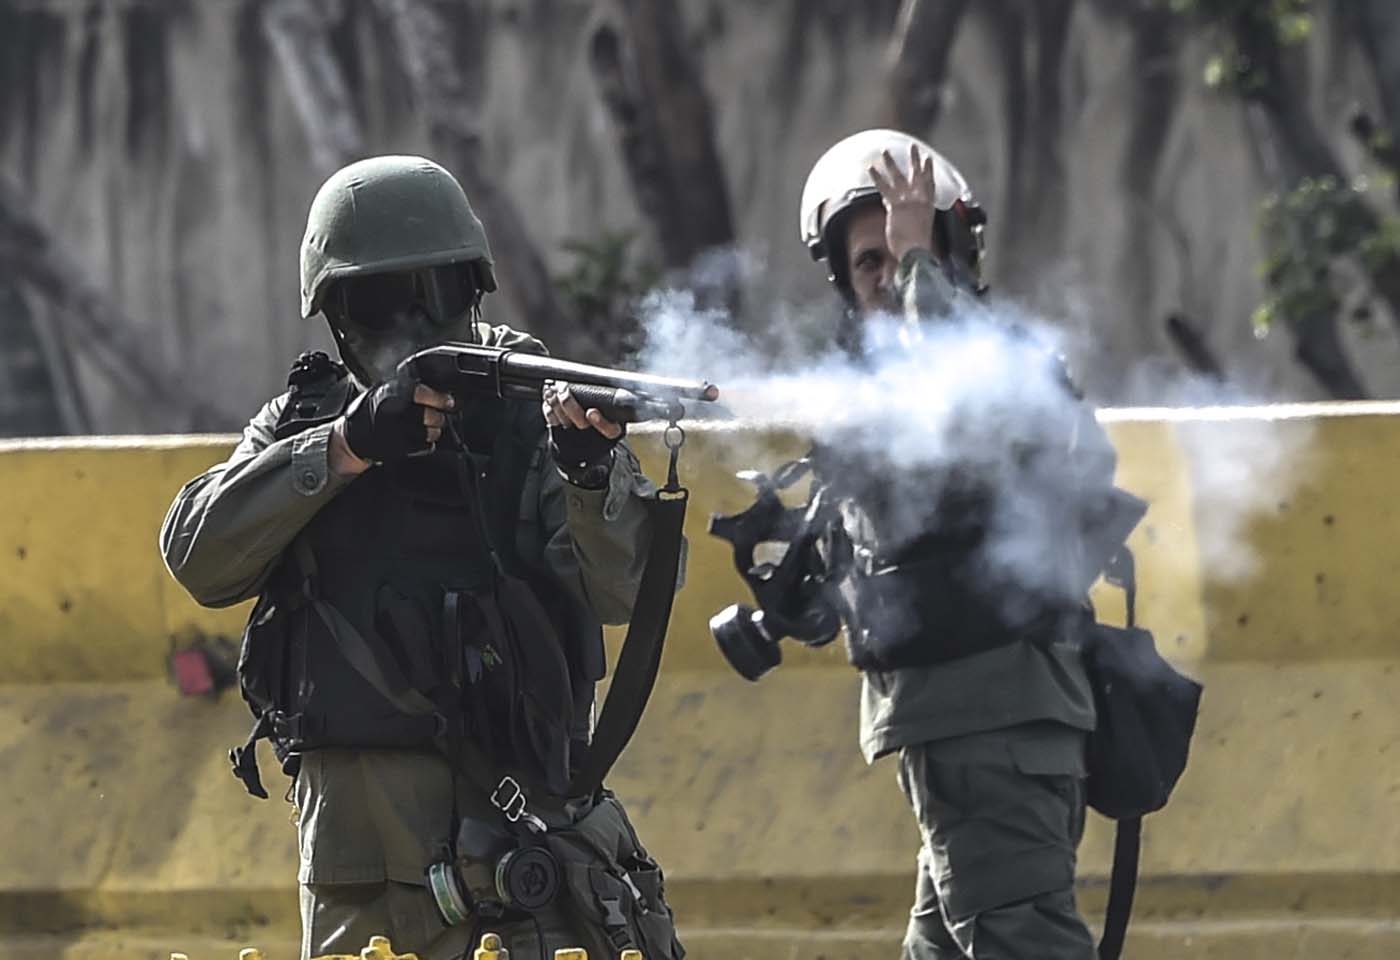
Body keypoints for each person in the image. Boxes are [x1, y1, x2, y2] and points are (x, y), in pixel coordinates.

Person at [160, 155, 683, 960]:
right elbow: (198, 554)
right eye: (381, 301)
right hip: (357, 895)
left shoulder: (525, 416)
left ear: (472, 290)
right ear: (337, 316)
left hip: (513, 865)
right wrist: (346, 448)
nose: (416, 322)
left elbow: (633, 591)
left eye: (437, 293)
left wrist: (588, 470)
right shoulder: (310, 419)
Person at [797, 129, 1117, 958]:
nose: (887, 278)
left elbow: (990, 420)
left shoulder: (1002, 369)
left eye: (905, 254)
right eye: (869, 263)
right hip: (955, 734)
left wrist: (915, 271)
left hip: (994, 729)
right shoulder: (885, 404)